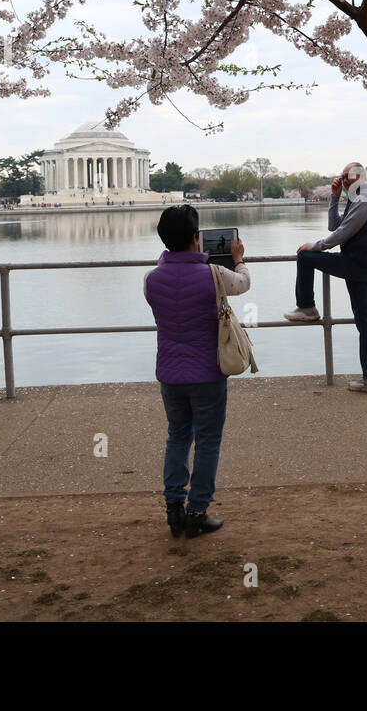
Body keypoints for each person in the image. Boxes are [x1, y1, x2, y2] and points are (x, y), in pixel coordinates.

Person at [144, 205, 249, 539]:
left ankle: (173, 507)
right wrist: (238, 258)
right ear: (195, 238)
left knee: (177, 435)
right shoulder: (215, 276)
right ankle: (198, 511)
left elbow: (170, 289)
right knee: (207, 441)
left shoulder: (152, 279)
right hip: (208, 372)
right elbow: (243, 284)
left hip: (171, 373)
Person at [284, 161, 367, 393]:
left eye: (345, 176)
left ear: (358, 176)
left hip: (356, 264)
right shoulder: (358, 198)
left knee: (305, 257)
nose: (342, 179)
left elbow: (342, 234)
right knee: (364, 322)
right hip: (365, 266)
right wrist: (334, 198)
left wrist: (315, 246)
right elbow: (334, 226)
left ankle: (307, 307)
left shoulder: (364, 197)